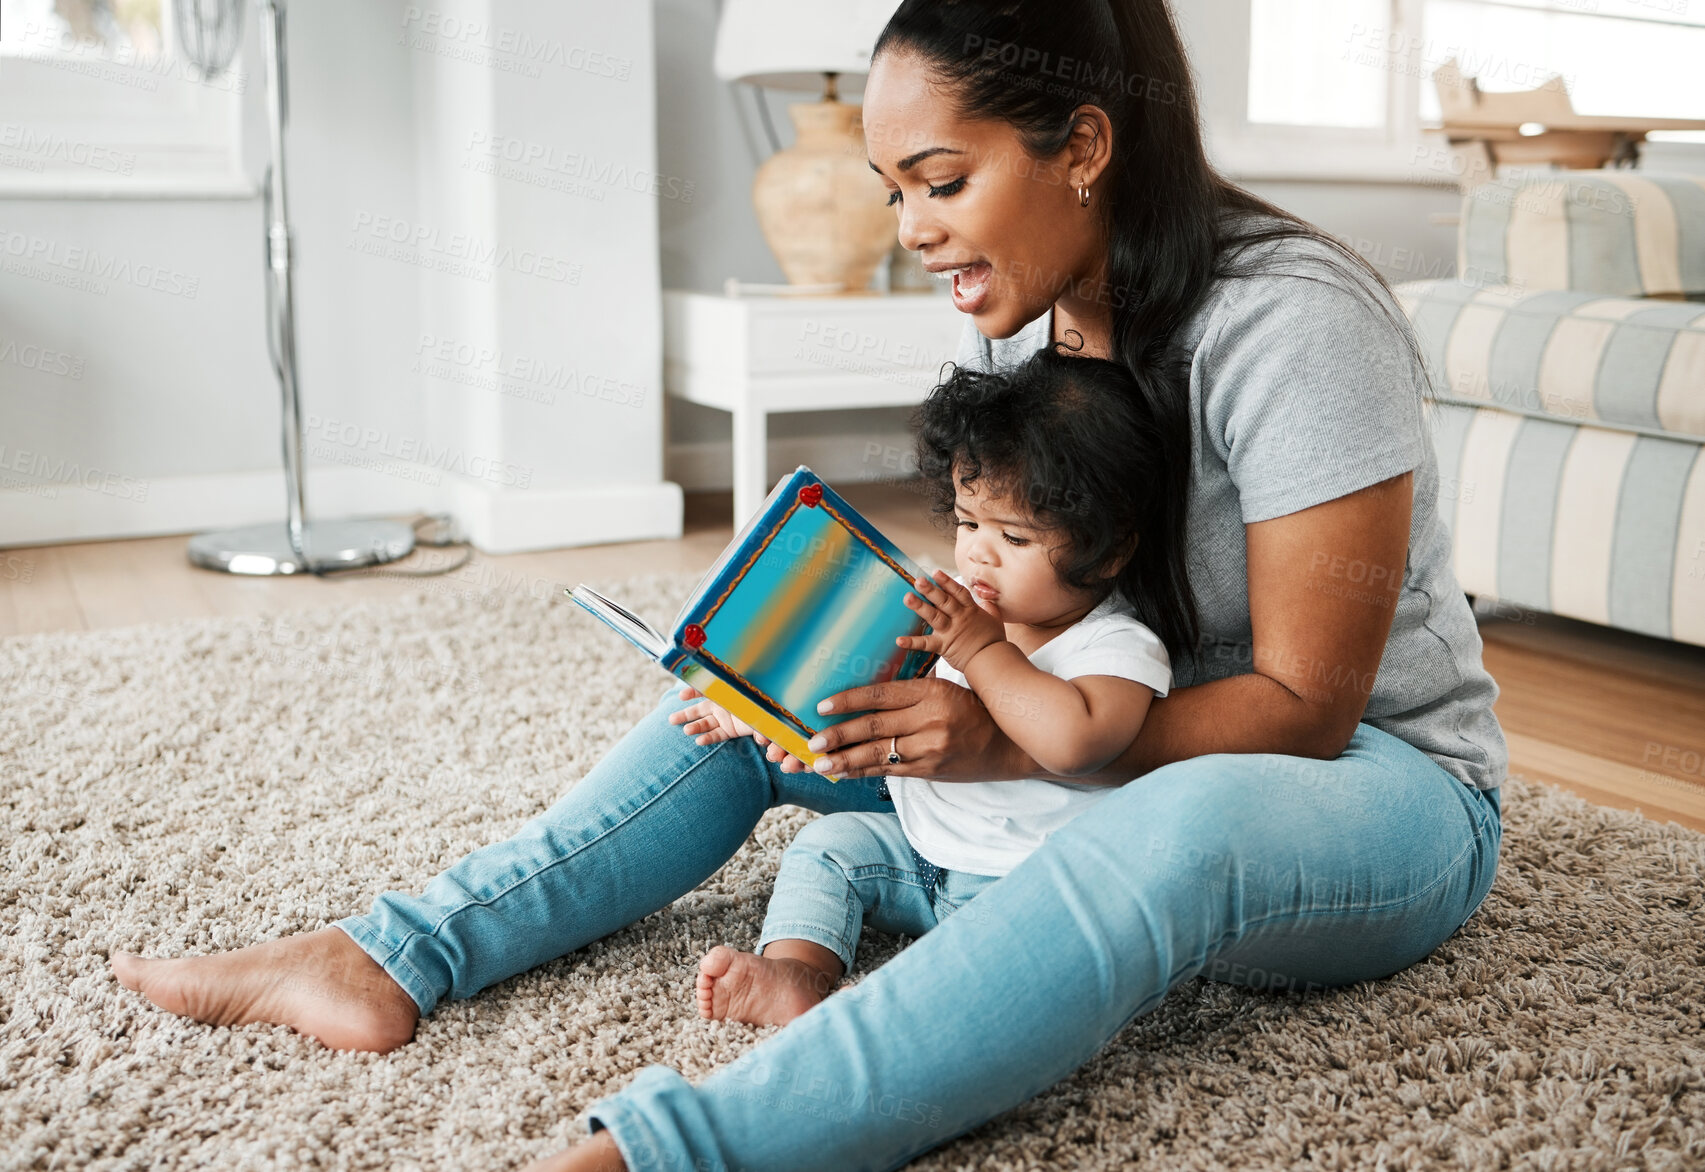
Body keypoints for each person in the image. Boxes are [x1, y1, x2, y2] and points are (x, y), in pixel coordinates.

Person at [112, 1, 1507, 1169]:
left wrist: (998, 728)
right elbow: (1020, 615)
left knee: (1168, 830)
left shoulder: (1293, 322)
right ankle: (385, 957)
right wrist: (870, 674)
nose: (912, 229)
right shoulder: (1038, 335)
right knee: (752, 704)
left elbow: (1310, 709)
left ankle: (683, 1150)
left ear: (1083, 143)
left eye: (942, 182)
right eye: (895, 189)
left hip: (1370, 783)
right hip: (1079, 731)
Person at [693, 350, 1185, 1027]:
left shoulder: (1117, 645)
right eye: (967, 522)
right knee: (824, 848)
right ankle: (796, 974)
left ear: (1106, 550)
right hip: (921, 852)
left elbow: (1074, 742)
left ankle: (910, 1009)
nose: (977, 552)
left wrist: (980, 649)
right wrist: (765, 712)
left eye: (1013, 536)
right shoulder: (965, 612)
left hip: (1018, 885)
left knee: (991, 986)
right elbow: (869, 695)